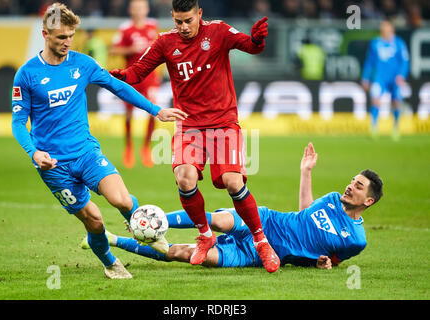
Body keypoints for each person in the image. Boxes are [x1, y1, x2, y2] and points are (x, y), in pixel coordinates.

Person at [11, 3, 187, 279]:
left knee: (123, 200)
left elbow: (118, 87)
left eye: (70, 36)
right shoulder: (27, 74)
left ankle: (148, 232)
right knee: (94, 221)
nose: (67, 42)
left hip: (85, 153)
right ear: (45, 34)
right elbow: (19, 122)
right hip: (53, 165)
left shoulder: (83, 64)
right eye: (61, 38)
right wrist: (33, 153)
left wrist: (156, 110)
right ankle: (110, 262)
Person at [110, 0, 280, 272]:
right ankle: (204, 234)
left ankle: (261, 241)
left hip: (223, 122)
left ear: (199, 14)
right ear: (172, 17)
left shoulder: (218, 32)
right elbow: (137, 72)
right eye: (178, 21)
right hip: (189, 125)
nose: (184, 27)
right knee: (184, 177)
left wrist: (258, 40)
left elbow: (250, 46)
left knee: (233, 182)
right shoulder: (165, 42)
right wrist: (117, 77)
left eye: (189, 20)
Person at [87, 142, 383, 270]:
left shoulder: (356, 240)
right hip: (269, 222)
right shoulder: (332, 199)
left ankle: (115, 241)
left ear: (368, 201)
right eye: (352, 181)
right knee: (218, 221)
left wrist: (325, 264)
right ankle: (150, 220)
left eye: (358, 186)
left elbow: (332, 261)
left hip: (261, 254)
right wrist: (306, 171)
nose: (350, 186)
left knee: (185, 254)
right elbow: (306, 212)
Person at [109, 0, 161, 168]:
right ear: (131, 10)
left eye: (142, 7)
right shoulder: (125, 28)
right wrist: (130, 49)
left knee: (154, 112)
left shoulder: (153, 26)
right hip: (131, 76)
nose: (139, 10)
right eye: (136, 7)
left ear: (146, 9)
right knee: (129, 114)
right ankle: (129, 147)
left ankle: (146, 148)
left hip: (150, 78)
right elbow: (113, 49)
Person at [361, 19, 410, 140]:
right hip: (379, 77)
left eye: (387, 28)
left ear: (391, 29)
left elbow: (405, 61)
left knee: (396, 101)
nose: (385, 31)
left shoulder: (399, 43)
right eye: (383, 28)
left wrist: (401, 75)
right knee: (375, 99)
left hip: (395, 78)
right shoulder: (375, 43)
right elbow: (369, 62)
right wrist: (365, 78)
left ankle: (396, 126)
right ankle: (373, 126)